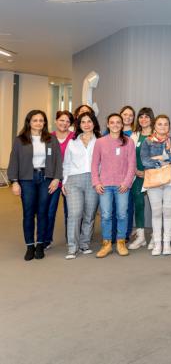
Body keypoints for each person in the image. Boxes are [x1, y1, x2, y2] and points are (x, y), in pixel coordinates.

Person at [8, 110, 62, 261]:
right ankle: (30, 246)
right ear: (29, 122)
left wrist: (56, 178)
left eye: (41, 120)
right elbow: (14, 161)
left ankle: (40, 245)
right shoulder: (20, 140)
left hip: (46, 178)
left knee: (43, 212)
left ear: (44, 123)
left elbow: (58, 160)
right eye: (35, 120)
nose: (38, 123)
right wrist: (14, 181)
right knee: (28, 213)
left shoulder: (51, 139)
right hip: (27, 180)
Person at [91, 114, 136, 258]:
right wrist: (96, 182)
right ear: (108, 124)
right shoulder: (100, 142)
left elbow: (132, 165)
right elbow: (94, 164)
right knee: (105, 215)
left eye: (118, 122)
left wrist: (127, 182)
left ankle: (121, 242)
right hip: (104, 185)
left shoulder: (128, 142)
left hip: (122, 185)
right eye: (112, 122)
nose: (115, 124)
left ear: (122, 125)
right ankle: (107, 244)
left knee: (122, 214)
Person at [142, 115, 171, 256]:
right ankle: (157, 243)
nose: (163, 127)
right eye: (160, 124)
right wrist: (163, 161)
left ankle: (166, 244)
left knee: (168, 211)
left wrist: (159, 158)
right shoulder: (147, 141)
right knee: (157, 212)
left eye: (166, 124)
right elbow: (144, 161)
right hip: (153, 180)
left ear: (169, 127)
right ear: (155, 126)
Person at [62, 111, 101, 259]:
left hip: (93, 180)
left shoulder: (100, 141)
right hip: (74, 181)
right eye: (83, 122)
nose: (86, 124)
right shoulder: (72, 142)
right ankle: (72, 247)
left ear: (94, 124)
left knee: (89, 214)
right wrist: (64, 182)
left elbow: (103, 163)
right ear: (79, 125)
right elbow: (66, 163)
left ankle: (84, 244)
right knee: (74, 214)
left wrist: (100, 180)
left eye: (89, 121)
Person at [45, 110, 75, 248]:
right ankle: (47, 239)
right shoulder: (47, 137)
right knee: (49, 210)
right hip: (52, 180)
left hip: (69, 179)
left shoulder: (75, 137)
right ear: (56, 121)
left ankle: (71, 239)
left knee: (70, 211)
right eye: (62, 120)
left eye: (68, 121)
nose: (64, 123)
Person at [127, 107, 155, 250]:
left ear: (151, 119)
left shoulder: (157, 135)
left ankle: (155, 237)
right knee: (139, 205)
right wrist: (135, 171)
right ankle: (141, 237)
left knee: (156, 207)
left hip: (153, 176)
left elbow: (160, 158)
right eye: (141, 117)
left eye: (147, 117)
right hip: (137, 176)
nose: (143, 119)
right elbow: (130, 156)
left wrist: (148, 172)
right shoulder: (134, 135)